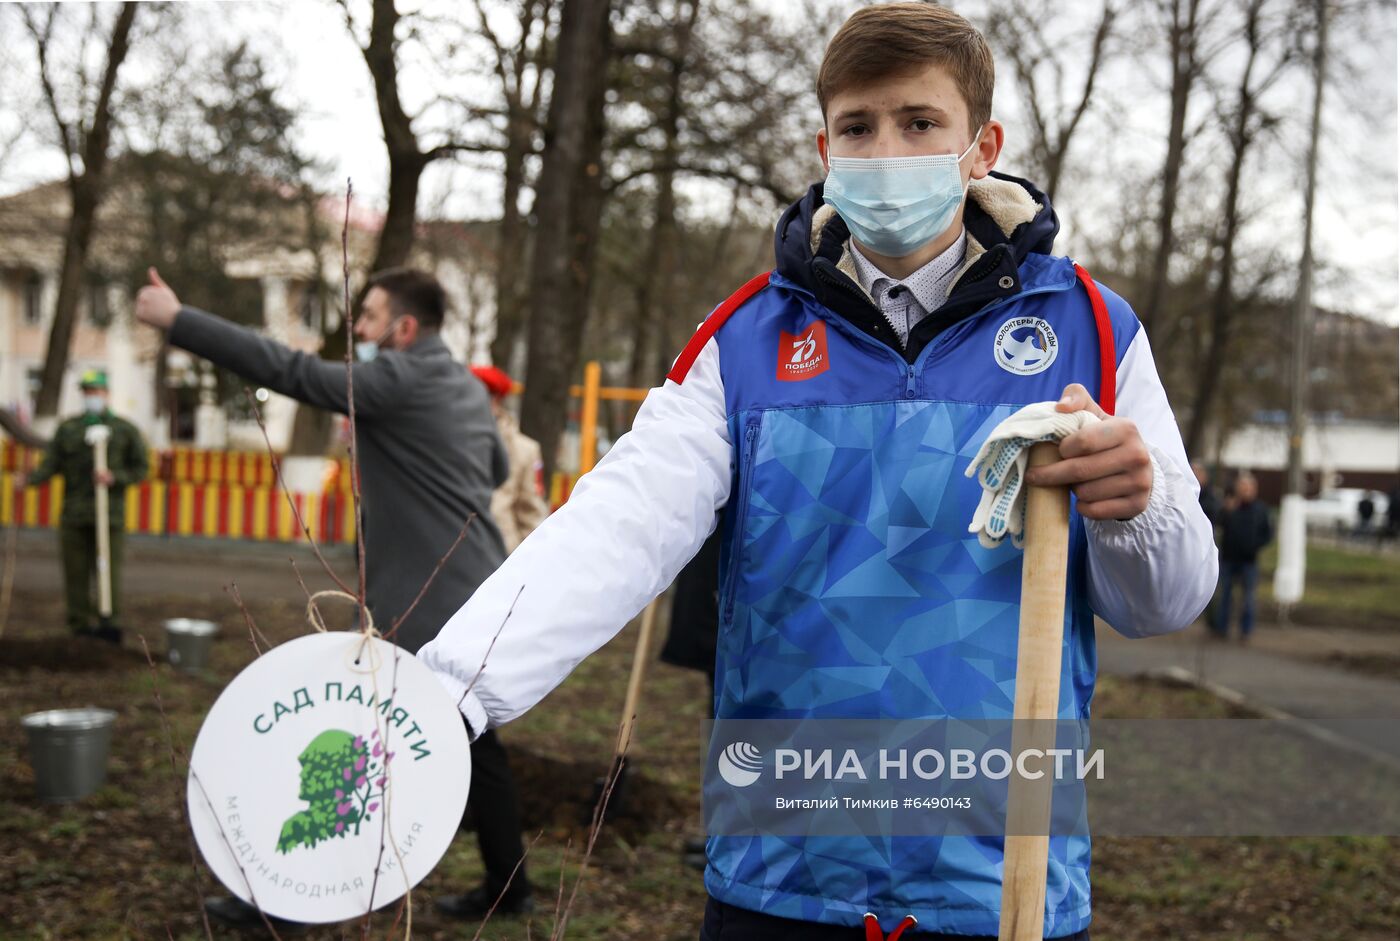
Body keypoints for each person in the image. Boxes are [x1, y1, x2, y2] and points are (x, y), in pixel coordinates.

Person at [419, 4, 1217, 938]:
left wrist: (1138, 511)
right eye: (858, 127)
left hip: (1002, 884)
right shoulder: (744, 341)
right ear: (824, 144)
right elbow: (615, 528)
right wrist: (447, 694)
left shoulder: (1090, 327)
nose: (886, 151)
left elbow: (1166, 600)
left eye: (920, 123)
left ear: (980, 145)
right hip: (781, 876)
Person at [133, 266, 535, 922]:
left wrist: (179, 321)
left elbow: (291, 371)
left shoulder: (396, 378)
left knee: (357, 740)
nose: (359, 330)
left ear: (404, 327)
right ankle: (507, 887)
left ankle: (294, 902)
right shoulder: (461, 383)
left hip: (423, 600)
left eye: (369, 318)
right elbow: (491, 467)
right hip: (473, 586)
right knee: (467, 742)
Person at [21, 368, 147, 644]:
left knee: (107, 571)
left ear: (106, 394)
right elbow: (51, 463)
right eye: (88, 392)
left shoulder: (124, 430)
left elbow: (141, 468)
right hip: (74, 515)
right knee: (75, 573)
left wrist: (115, 478)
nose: (92, 396)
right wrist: (29, 480)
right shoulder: (68, 429)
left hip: (109, 516)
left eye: (96, 391)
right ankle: (78, 626)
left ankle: (109, 622)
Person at [470, 365, 549, 553]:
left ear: (497, 400)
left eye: (484, 397)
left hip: (500, 555)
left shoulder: (524, 449)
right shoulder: (449, 437)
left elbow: (530, 514)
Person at [1215, 474, 1273, 641]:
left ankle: (1245, 631)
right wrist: (1226, 511)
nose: (1245, 491)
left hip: (1249, 561)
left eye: (1248, 487)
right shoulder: (1230, 507)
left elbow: (1267, 533)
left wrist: (1255, 545)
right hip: (1228, 559)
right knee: (1224, 595)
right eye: (1242, 487)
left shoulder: (1260, 509)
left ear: (1254, 490)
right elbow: (1218, 524)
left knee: (1248, 598)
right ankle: (1221, 628)